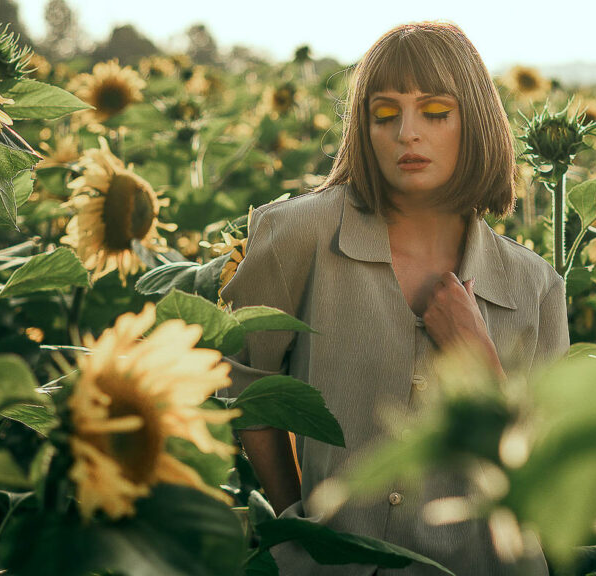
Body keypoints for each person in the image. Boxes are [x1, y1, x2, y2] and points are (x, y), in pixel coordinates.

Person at [218, 21, 569, 576]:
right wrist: (296, 526)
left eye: (434, 112)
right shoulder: (299, 238)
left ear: (473, 121)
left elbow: (554, 483)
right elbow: (243, 384)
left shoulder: (536, 287)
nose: (408, 133)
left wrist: (482, 367)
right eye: (385, 114)